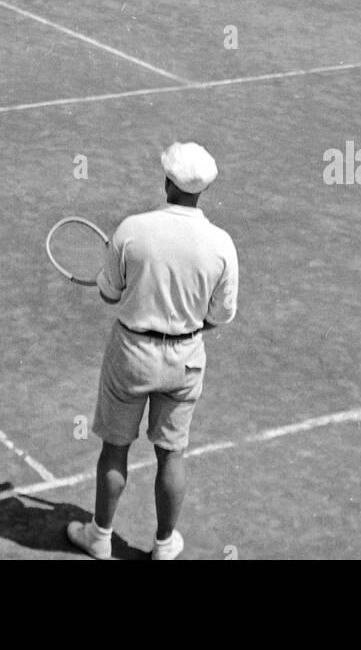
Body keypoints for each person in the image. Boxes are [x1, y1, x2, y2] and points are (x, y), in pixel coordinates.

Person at [68, 142, 238, 562]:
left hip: (131, 356)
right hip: (185, 359)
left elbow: (110, 294)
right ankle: (164, 546)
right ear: (203, 190)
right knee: (171, 454)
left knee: (115, 448)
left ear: (167, 183)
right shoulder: (221, 245)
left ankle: (100, 537)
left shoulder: (131, 230)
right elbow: (220, 315)